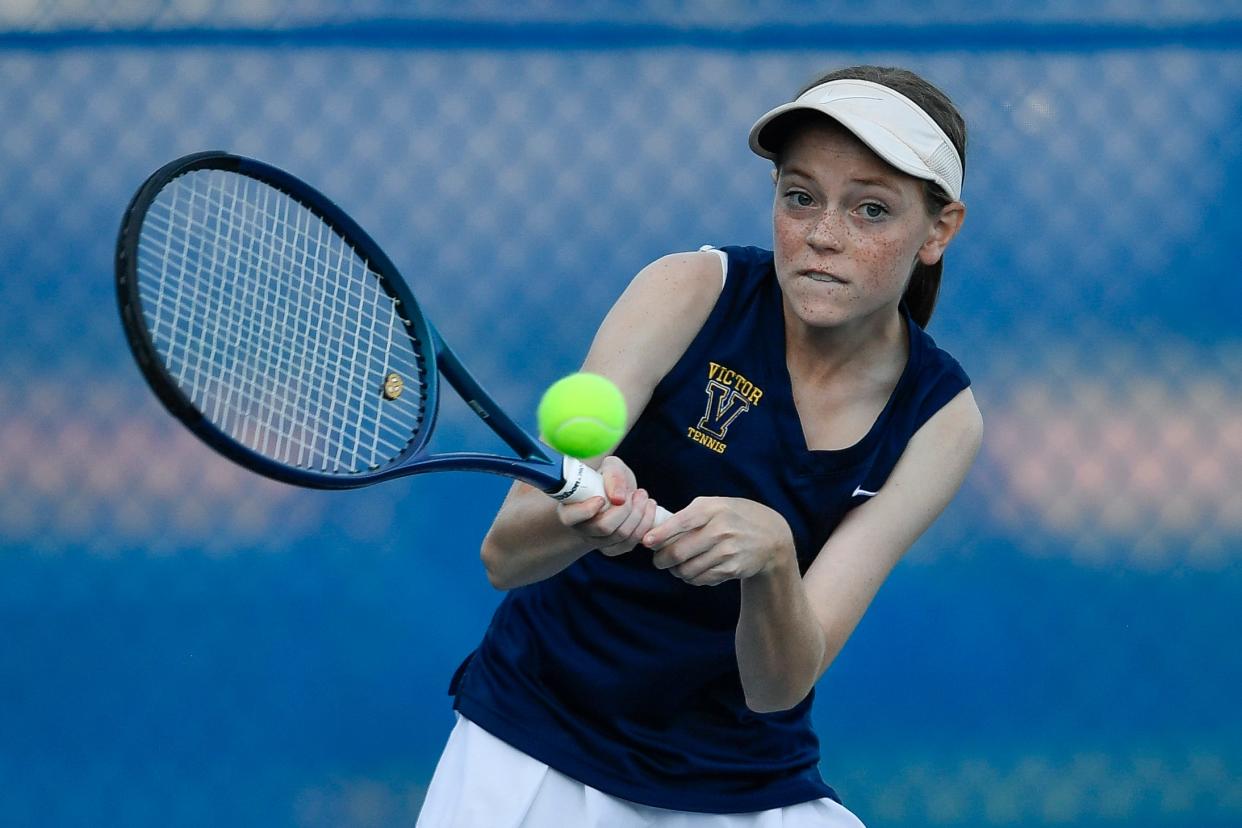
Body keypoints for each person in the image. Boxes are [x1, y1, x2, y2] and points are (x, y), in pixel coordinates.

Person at [416, 65, 984, 828]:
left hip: (744, 787)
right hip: (532, 747)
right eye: (800, 195)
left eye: (871, 210)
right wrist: (581, 520)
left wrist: (775, 561)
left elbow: (779, 686)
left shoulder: (940, 420)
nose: (822, 234)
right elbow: (504, 555)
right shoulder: (688, 290)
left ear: (938, 230)